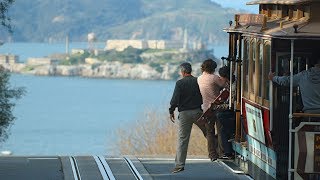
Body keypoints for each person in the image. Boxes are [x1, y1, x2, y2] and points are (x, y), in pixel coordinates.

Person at [169, 62, 204, 173]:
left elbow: (174, 99)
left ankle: (179, 165)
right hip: (198, 112)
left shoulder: (180, 83)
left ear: (183, 72)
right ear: (190, 71)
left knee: (183, 139)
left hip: (184, 114)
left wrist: (171, 111)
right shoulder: (197, 81)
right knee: (209, 132)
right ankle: (219, 152)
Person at [197, 59, 228, 160]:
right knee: (220, 131)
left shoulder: (199, 78)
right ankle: (221, 152)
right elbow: (224, 85)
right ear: (213, 68)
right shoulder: (214, 78)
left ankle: (212, 154)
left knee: (209, 132)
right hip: (217, 107)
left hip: (206, 109)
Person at [215, 66, 236, 159]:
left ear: (225, 77)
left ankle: (228, 152)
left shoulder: (233, 87)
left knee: (221, 119)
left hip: (233, 113)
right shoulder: (230, 85)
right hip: (232, 111)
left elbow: (231, 104)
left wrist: (217, 106)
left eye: (221, 77)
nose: (220, 79)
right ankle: (227, 152)